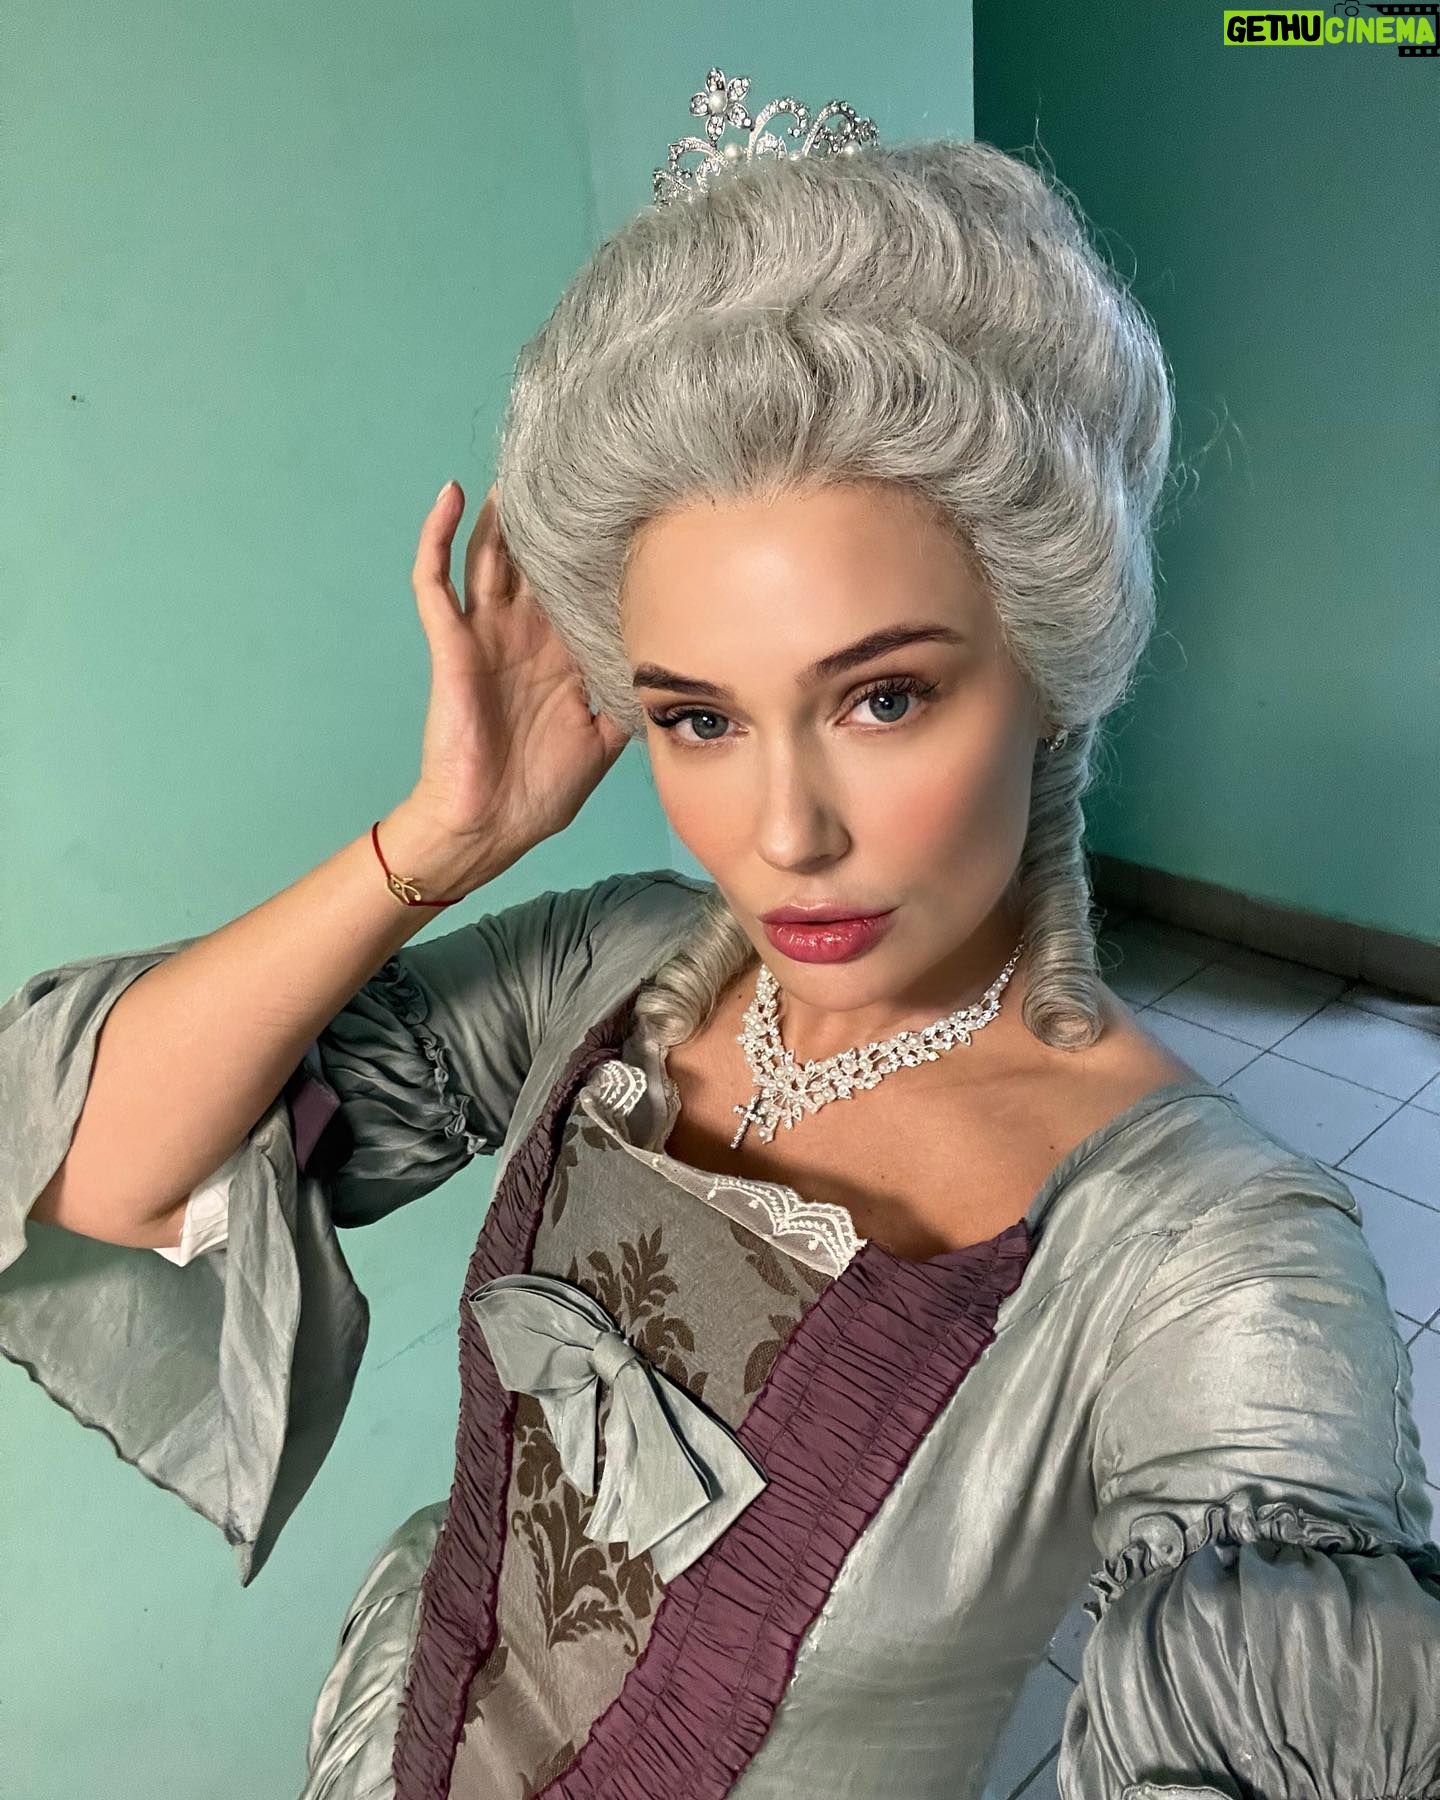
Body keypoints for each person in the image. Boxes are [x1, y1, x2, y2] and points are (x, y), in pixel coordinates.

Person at [4, 69, 1439, 1800]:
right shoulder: (604, 974)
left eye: (885, 697)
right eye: (697, 718)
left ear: (1050, 670)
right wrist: (443, 840)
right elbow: (102, 1175)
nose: (786, 834)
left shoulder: (1208, 1253)